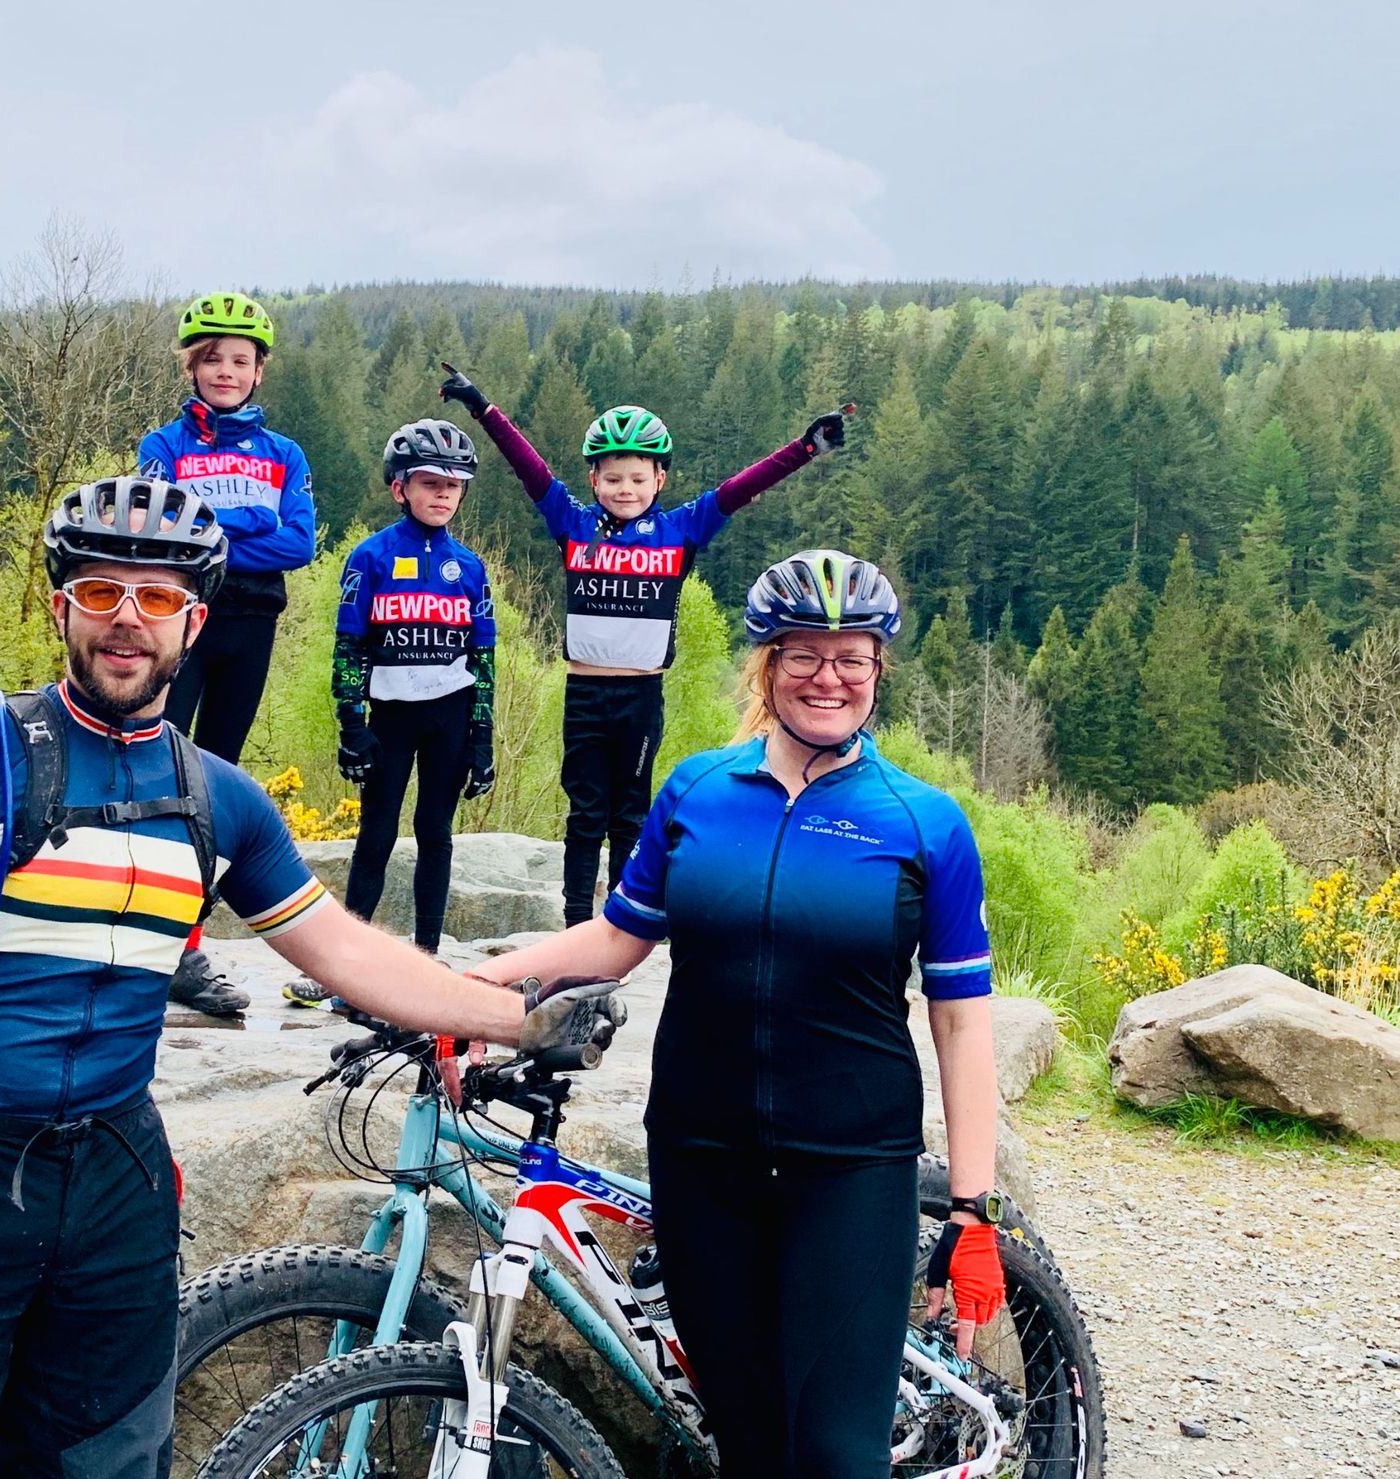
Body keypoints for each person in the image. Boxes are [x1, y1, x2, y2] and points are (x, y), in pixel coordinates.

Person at [0, 474, 621, 1479]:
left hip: (113, 1182)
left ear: (195, 622)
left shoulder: (218, 801)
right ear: (60, 609)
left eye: (159, 599)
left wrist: (516, 1019)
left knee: (104, 1461)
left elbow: (340, 950)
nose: (128, 621)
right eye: (101, 594)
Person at [464, 549, 1005, 1478]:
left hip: (848, 1167)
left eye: (852, 657)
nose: (827, 676)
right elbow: (617, 936)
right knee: (747, 1446)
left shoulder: (924, 821)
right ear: (768, 664)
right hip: (701, 1158)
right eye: (803, 654)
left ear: (879, 669)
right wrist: (480, 991)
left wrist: (972, 1205)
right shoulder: (699, 791)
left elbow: (961, 1017)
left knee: (837, 1455)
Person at [440, 363, 847, 924]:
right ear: (594, 482)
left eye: (637, 478)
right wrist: (482, 407)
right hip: (584, 695)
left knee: (629, 816)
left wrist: (804, 449)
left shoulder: (681, 529)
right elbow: (527, 467)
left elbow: (740, 489)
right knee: (585, 815)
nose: (624, 489)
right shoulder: (574, 524)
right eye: (612, 479)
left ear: (660, 480)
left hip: (640, 697)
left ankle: (622, 920)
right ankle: (576, 922)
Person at [142, 292, 316, 1017]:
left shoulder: (284, 454)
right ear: (192, 365)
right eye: (212, 358)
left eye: (239, 360)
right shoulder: (163, 447)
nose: (225, 370)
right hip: (182, 621)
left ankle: (183, 946)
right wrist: (250, 523)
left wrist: (210, 524)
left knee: (212, 788)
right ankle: (142, 942)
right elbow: (161, 537)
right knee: (157, 774)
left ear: (258, 372)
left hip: (253, 623)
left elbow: (298, 542)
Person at [287, 420, 493, 1005]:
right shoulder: (370, 557)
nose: (444, 494)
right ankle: (347, 967)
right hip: (389, 718)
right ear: (400, 487)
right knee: (375, 836)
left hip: (450, 714)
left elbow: (484, 658)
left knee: (435, 832)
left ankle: (426, 960)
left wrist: (483, 737)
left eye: (455, 485)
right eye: (431, 483)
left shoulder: (471, 567)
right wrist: (350, 722)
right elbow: (347, 644)